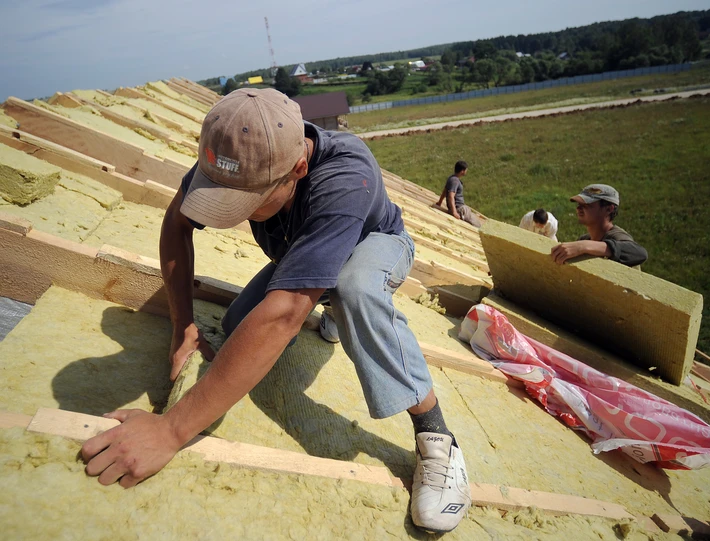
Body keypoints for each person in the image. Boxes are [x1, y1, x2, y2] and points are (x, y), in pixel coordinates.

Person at [80, 89, 471, 534]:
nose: (233, 211)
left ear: (298, 169)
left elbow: (284, 315)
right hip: (302, 251)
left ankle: (437, 436)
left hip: (377, 245)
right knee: (237, 327)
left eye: (244, 202)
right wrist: (182, 325)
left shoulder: (345, 174)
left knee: (353, 288)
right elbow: (177, 223)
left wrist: (171, 431)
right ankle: (328, 298)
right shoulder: (237, 153)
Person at [551, 184, 647, 267]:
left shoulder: (616, 235)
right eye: (578, 204)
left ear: (609, 209)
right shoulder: (585, 239)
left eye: (586, 204)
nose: (578, 208)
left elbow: (639, 253)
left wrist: (583, 246)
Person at [433, 161, 482, 227]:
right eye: (466, 170)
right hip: (459, 209)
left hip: (458, 208)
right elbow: (451, 196)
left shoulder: (451, 178)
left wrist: (440, 202)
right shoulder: (455, 181)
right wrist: (454, 212)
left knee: (474, 218)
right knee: (477, 225)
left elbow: (445, 191)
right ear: (462, 171)